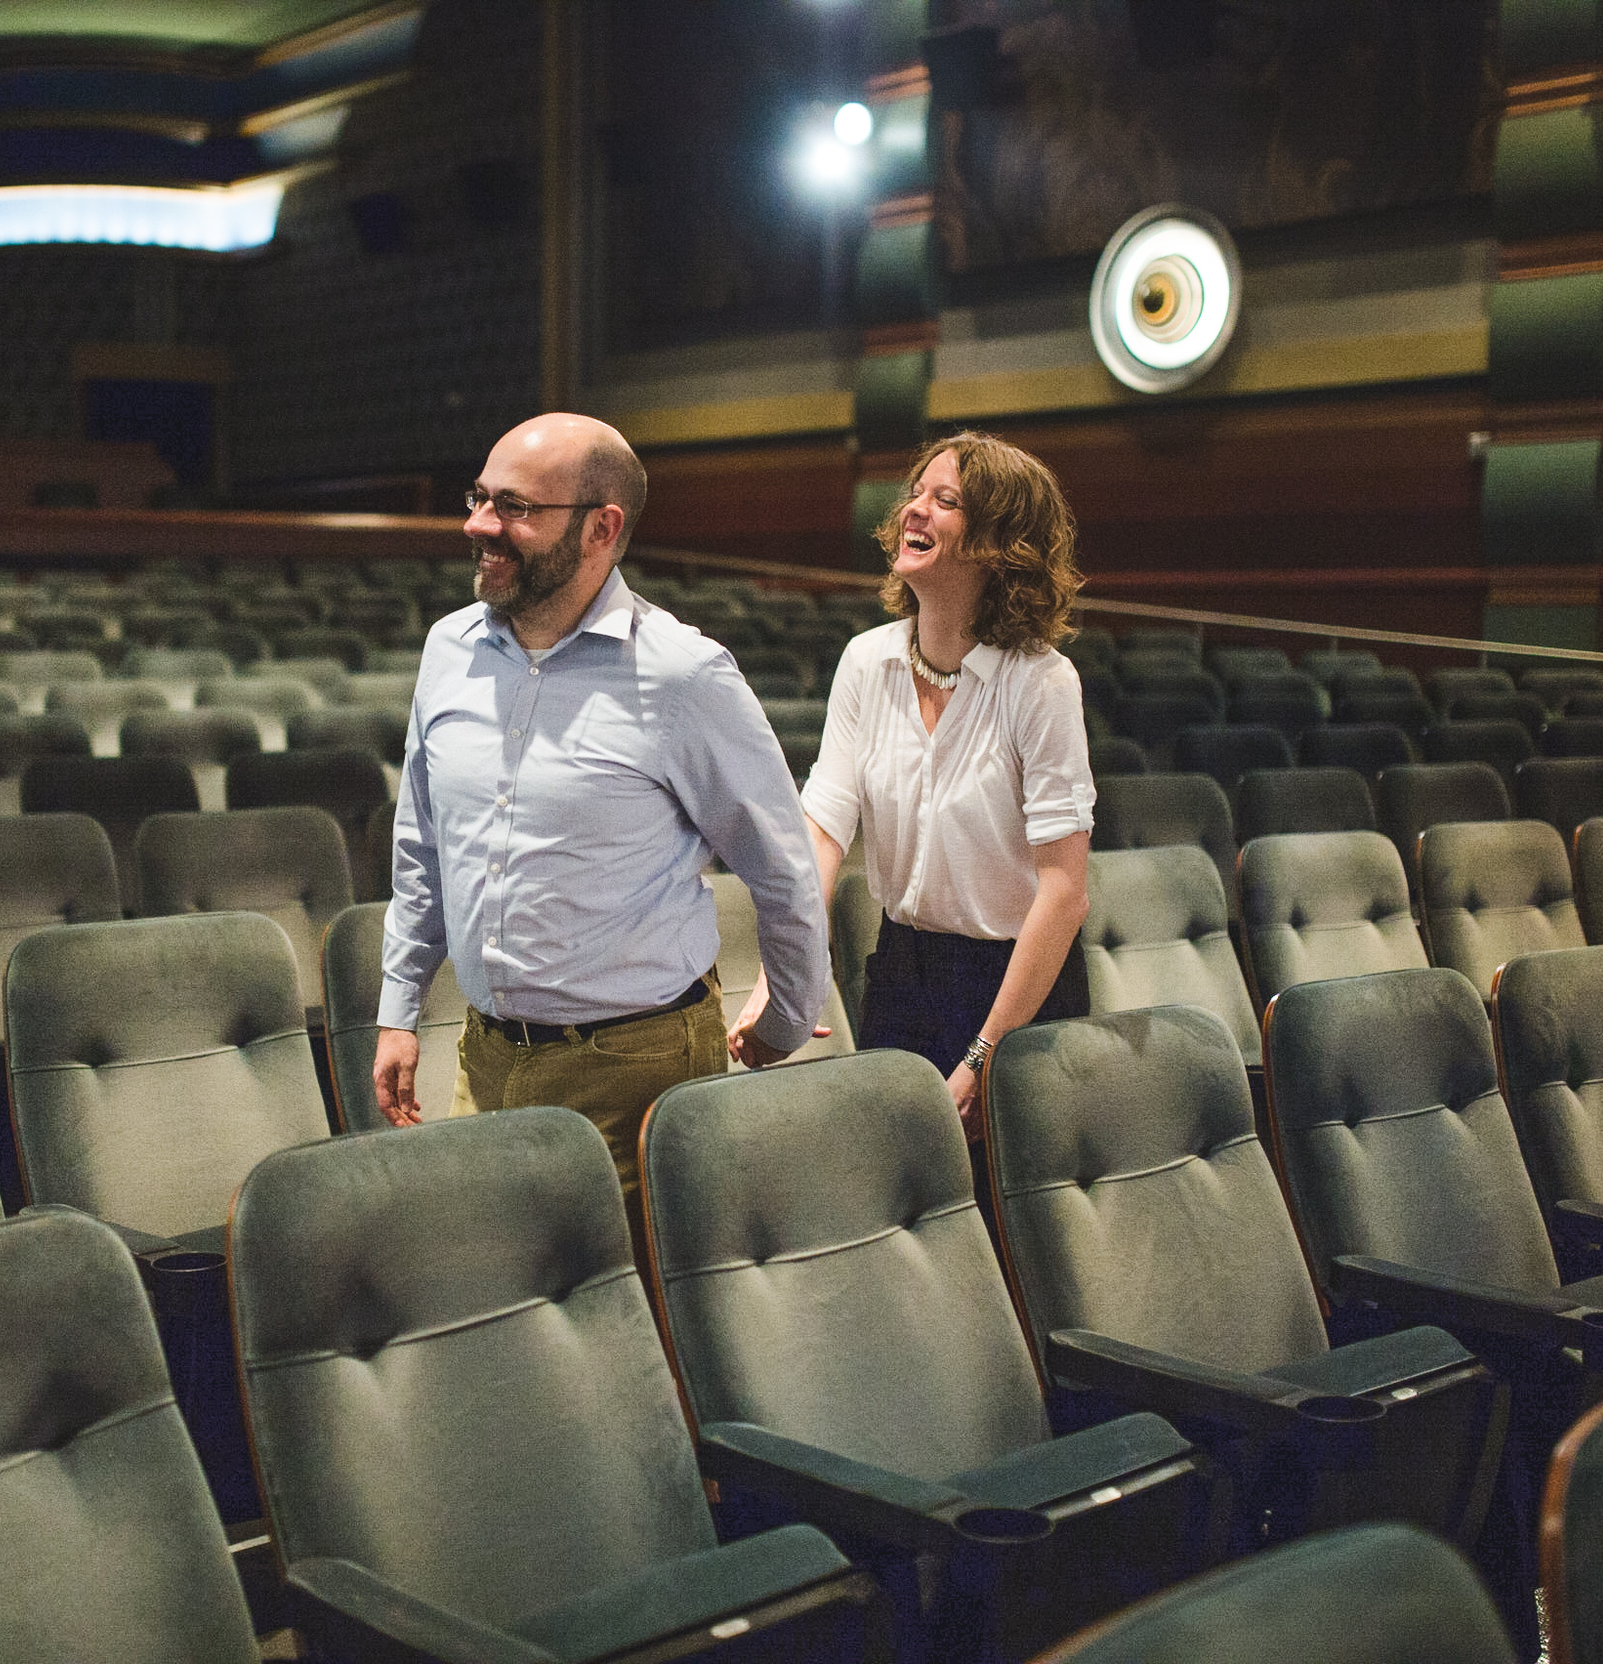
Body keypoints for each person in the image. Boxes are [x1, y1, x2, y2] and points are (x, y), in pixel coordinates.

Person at [373, 411, 829, 1204]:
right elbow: (422, 849)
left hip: (634, 1076)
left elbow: (781, 868)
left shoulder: (684, 675)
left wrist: (787, 1021)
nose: (480, 524)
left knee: (629, 1312)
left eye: (514, 507)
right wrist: (398, 1007)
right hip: (482, 1056)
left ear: (601, 527)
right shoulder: (448, 649)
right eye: (479, 497)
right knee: (491, 1294)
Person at [730, 431, 1092, 1134]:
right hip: (901, 973)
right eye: (915, 495)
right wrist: (784, 975)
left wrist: (986, 1055)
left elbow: (1065, 890)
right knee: (906, 1199)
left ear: (1000, 542)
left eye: (945, 500)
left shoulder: (1041, 682)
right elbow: (824, 828)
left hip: (1017, 988)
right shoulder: (867, 661)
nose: (913, 511)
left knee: (1003, 1213)